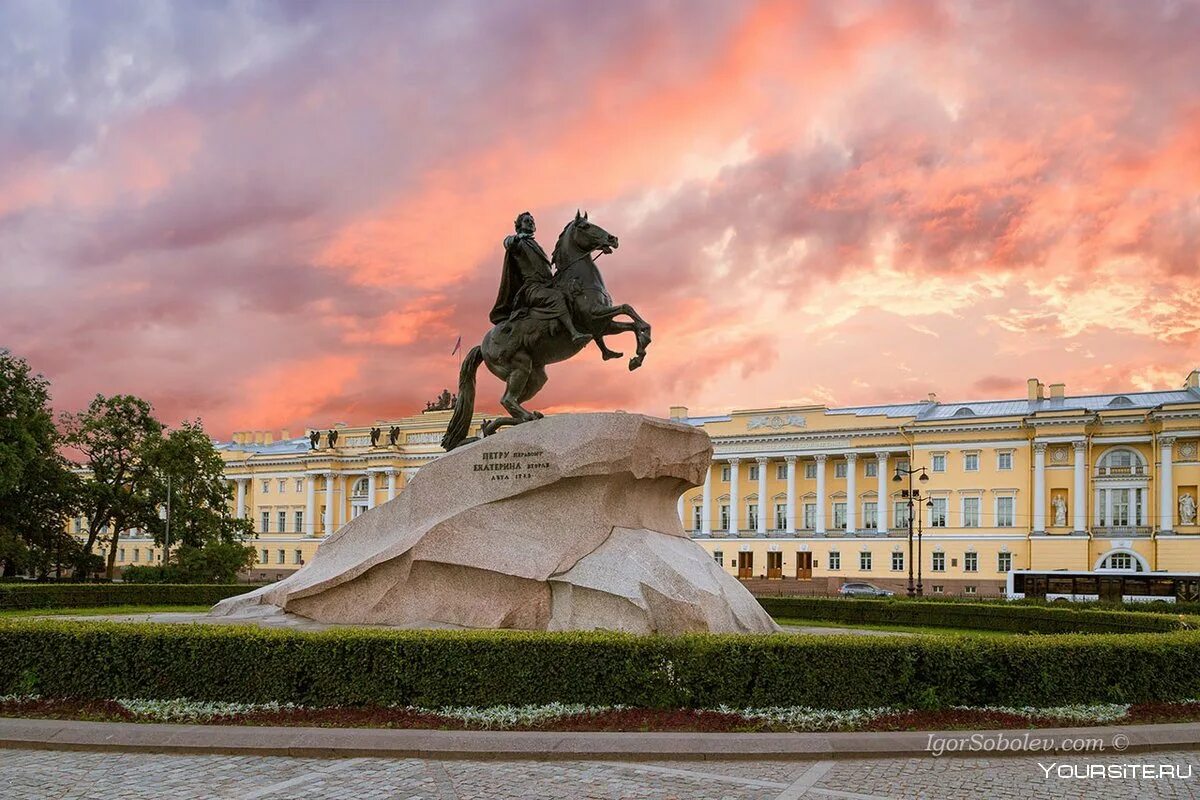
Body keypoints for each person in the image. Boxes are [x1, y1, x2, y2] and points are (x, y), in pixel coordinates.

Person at [490, 212, 591, 345]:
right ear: (519, 226)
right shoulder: (519, 243)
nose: (531, 223)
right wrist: (516, 238)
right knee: (557, 297)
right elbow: (507, 242)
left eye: (532, 221)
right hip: (532, 289)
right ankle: (574, 333)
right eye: (527, 221)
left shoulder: (534, 244)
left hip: (546, 285)